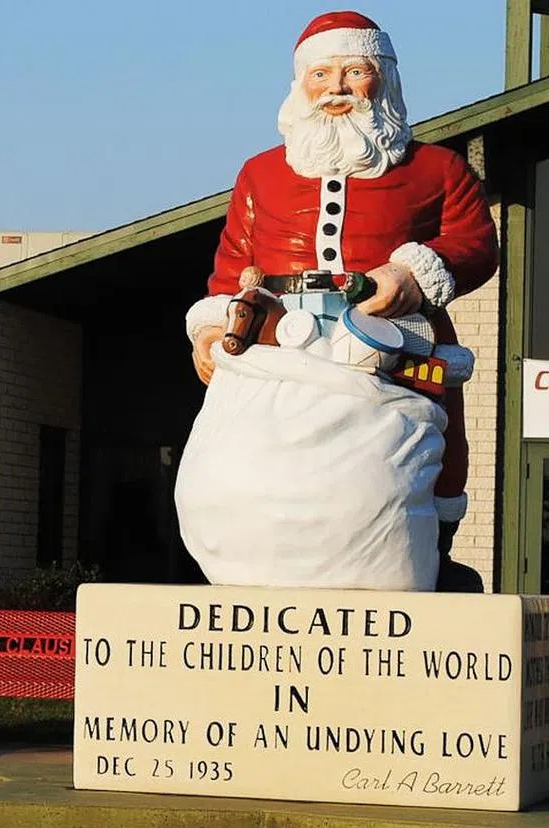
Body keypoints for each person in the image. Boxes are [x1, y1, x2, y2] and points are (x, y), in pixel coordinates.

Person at [184, 11, 498, 591]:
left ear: (384, 80)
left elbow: (476, 244)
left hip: (390, 342)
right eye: (321, 74)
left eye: (355, 72)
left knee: (385, 481)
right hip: (277, 341)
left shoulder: (438, 169)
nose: (336, 88)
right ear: (299, 85)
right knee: (227, 475)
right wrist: (210, 327)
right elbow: (233, 264)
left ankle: (422, 562)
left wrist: (413, 273)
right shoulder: (260, 175)